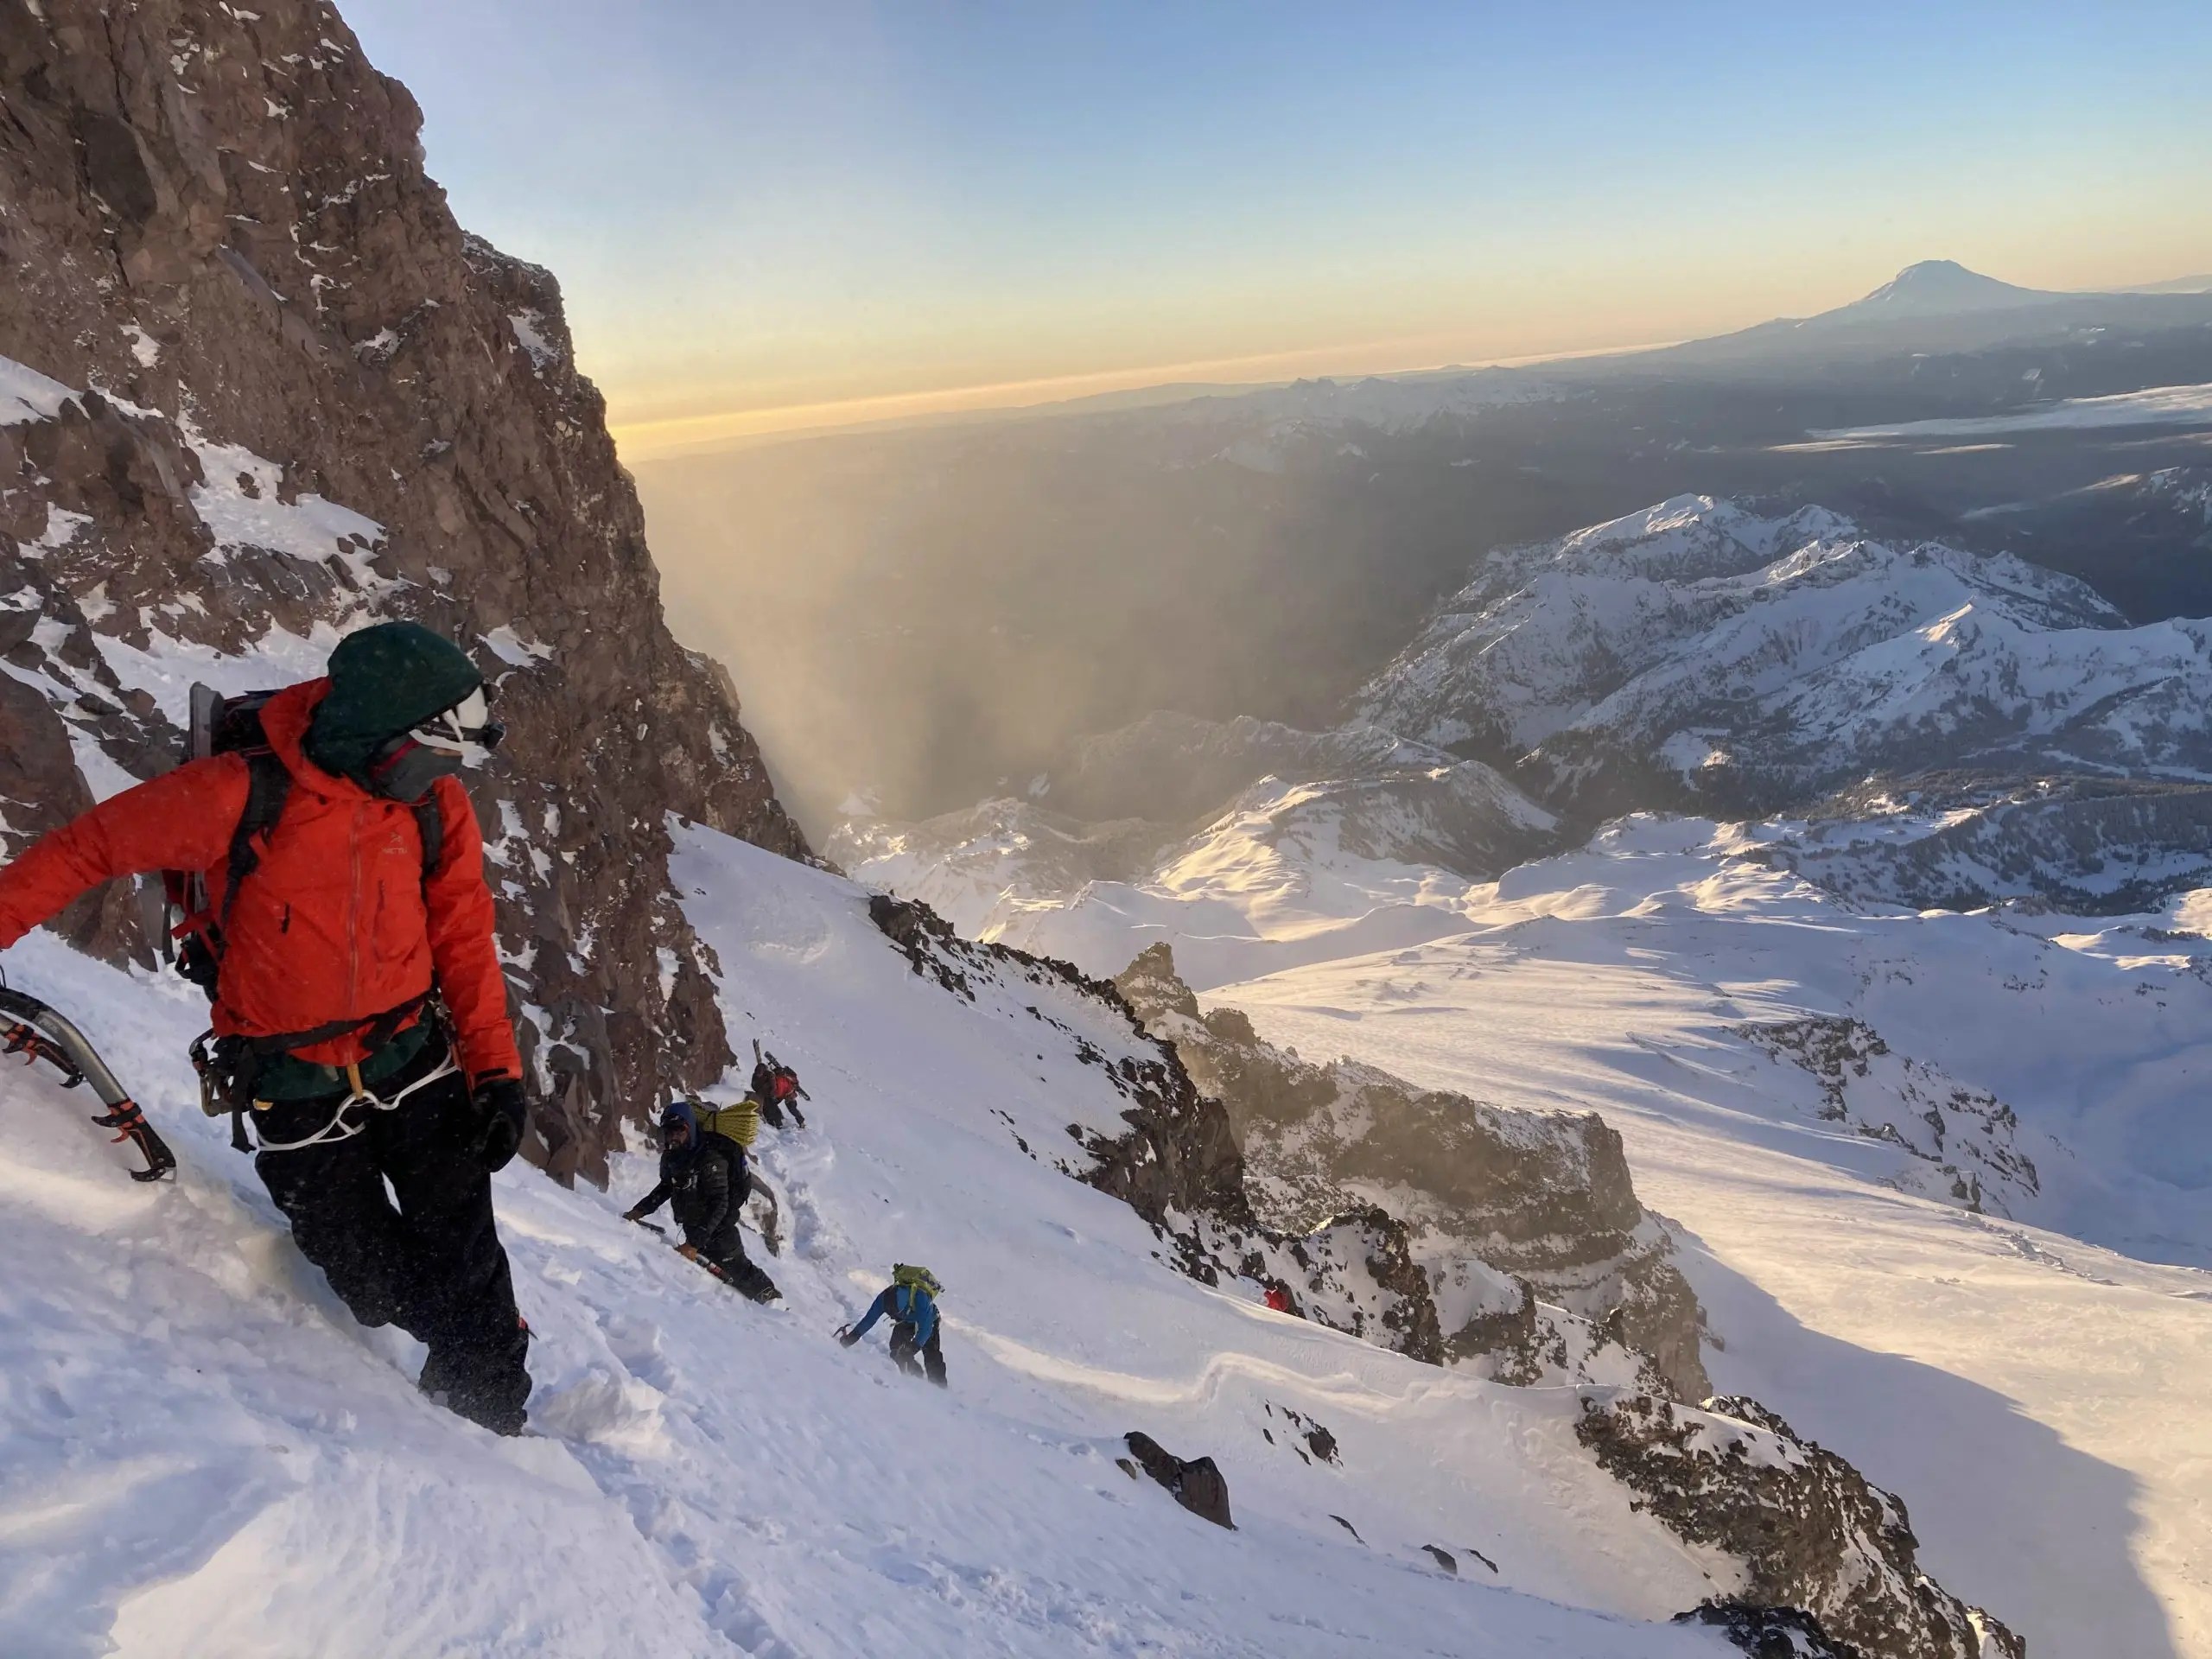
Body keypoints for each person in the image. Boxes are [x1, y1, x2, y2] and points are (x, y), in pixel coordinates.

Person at [0, 621, 535, 1433]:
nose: (447, 776)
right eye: (433, 754)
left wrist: (494, 1072)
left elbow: (462, 934)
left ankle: (496, 1440)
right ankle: (456, 1365)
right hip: (295, 1092)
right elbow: (83, 853)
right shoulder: (237, 794)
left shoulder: (433, 806)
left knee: (470, 1273)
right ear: (379, 735)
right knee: (370, 1282)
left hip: (419, 1066)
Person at [624, 1098, 780, 1302]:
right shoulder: (676, 1156)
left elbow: (720, 1203)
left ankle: (773, 1301)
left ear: (690, 1128)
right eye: (669, 1131)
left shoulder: (710, 1159)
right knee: (718, 1285)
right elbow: (667, 1187)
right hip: (694, 1228)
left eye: (679, 1130)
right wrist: (639, 1211)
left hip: (720, 1233)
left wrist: (694, 1244)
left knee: (739, 1273)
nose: (673, 1137)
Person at [839, 1263, 947, 1386]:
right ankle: (916, 1381)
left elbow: (925, 1330)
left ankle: (940, 1387)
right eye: (891, 1314)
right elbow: (869, 1320)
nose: (891, 1317)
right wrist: (852, 1337)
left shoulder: (921, 1299)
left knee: (931, 1354)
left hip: (929, 1320)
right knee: (897, 1349)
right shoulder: (884, 1299)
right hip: (906, 1320)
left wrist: (913, 1347)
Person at [750, 1037, 806, 1130]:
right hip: (778, 1093)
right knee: (771, 1106)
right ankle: (778, 1121)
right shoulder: (774, 1077)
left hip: (783, 1092)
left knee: (791, 1108)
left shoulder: (784, 1081)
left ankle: (799, 1122)